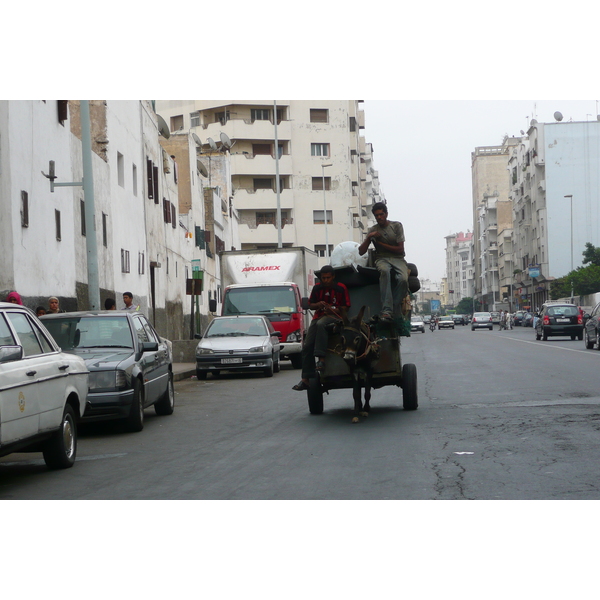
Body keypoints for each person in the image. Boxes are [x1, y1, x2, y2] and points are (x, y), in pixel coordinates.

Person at [292, 265, 351, 391]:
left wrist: (334, 309)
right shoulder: (317, 288)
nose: (325, 280)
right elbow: (311, 305)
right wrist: (318, 304)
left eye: (328, 278)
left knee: (321, 324)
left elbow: (346, 306)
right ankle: (306, 379)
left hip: (336, 317)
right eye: (323, 278)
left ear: (333, 277)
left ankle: (321, 359)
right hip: (318, 317)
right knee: (307, 346)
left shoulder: (341, 288)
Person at [358, 202, 408, 321]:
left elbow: (400, 249)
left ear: (386, 214)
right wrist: (369, 237)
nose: (379, 217)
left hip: (398, 258)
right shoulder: (373, 230)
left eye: (381, 214)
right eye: (376, 215)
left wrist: (380, 243)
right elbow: (361, 251)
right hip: (381, 258)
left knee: (403, 279)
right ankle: (386, 310)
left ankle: (395, 307)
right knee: (384, 272)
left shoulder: (396, 226)